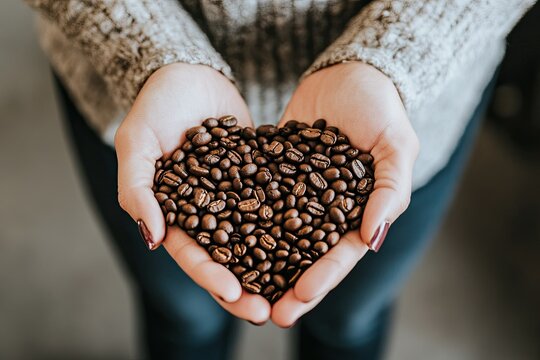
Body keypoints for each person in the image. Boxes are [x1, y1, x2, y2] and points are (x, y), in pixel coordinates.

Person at [25, 1, 535, 359]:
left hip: (408, 108)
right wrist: (147, 46)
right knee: (182, 314)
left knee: (348, 319)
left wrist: (393, 57)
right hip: (142, 108)